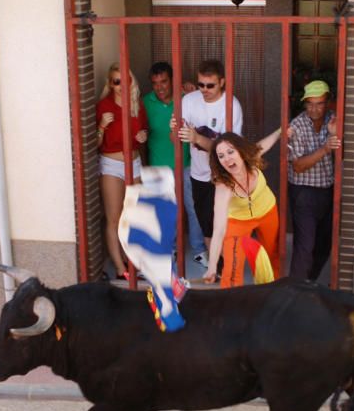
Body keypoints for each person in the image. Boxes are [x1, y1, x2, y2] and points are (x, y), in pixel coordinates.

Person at [174, 60, 244, 267]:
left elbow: (230, 149)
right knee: (207, 225)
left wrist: (196, 139)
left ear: (222, 82)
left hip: (224, 175)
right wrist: (175, 131)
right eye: (200, 84)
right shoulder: (189, 100)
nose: (204, 90)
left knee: (226, 225)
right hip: (198, 174)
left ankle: (229, 269)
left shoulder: (232, 105)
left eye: (210, 85)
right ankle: (218, 268)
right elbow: (175, 139)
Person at [141, 61, 206, 262]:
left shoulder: (186, 99)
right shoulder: (144, 103)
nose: (160, 87)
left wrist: (192, 90)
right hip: (158, 166)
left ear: (173, 81)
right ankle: (170, 248)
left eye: (164, 81)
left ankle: (199, 250)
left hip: (187, 165)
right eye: (155, 83)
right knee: (165, 212)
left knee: (194, 209)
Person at [205, 130, 284, 287]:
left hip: (267, 211)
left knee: (270, 256)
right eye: (221, 156)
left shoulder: (252, 159)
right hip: (238, 221)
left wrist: (281, 131)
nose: (227, 159)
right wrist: (212, 266)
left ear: (240, 151)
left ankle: (270, 292)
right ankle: (231, 304)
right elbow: (219, 230)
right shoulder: (223, 185)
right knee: (232, 268)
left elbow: (265, 143)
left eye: (230, 151)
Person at [286, 80, 341, 281]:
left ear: (328, 102)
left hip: (327, 191)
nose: (314, 108)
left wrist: (336, 135)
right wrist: (325, 149)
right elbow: (298, 166)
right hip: (303, 192)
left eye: (319, 103)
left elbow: (345, 159)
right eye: (310, 103)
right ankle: (295, 288)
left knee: (324, 244)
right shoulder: (297, 126)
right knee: (305, 245)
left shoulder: (333, 121)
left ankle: (308, 282)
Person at [96, 63, 147, 279]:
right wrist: (101, 127)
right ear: (110, 83)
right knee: (114, 218)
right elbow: (94, 144)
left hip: (134, 162)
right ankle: (119, 267)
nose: (121, 86)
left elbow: (141, 135)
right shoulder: (104, 106)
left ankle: (131, 260)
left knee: (133, 217)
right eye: (116, 81)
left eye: (125, 81)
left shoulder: (137, 105)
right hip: (111, 164)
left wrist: (142, 138)